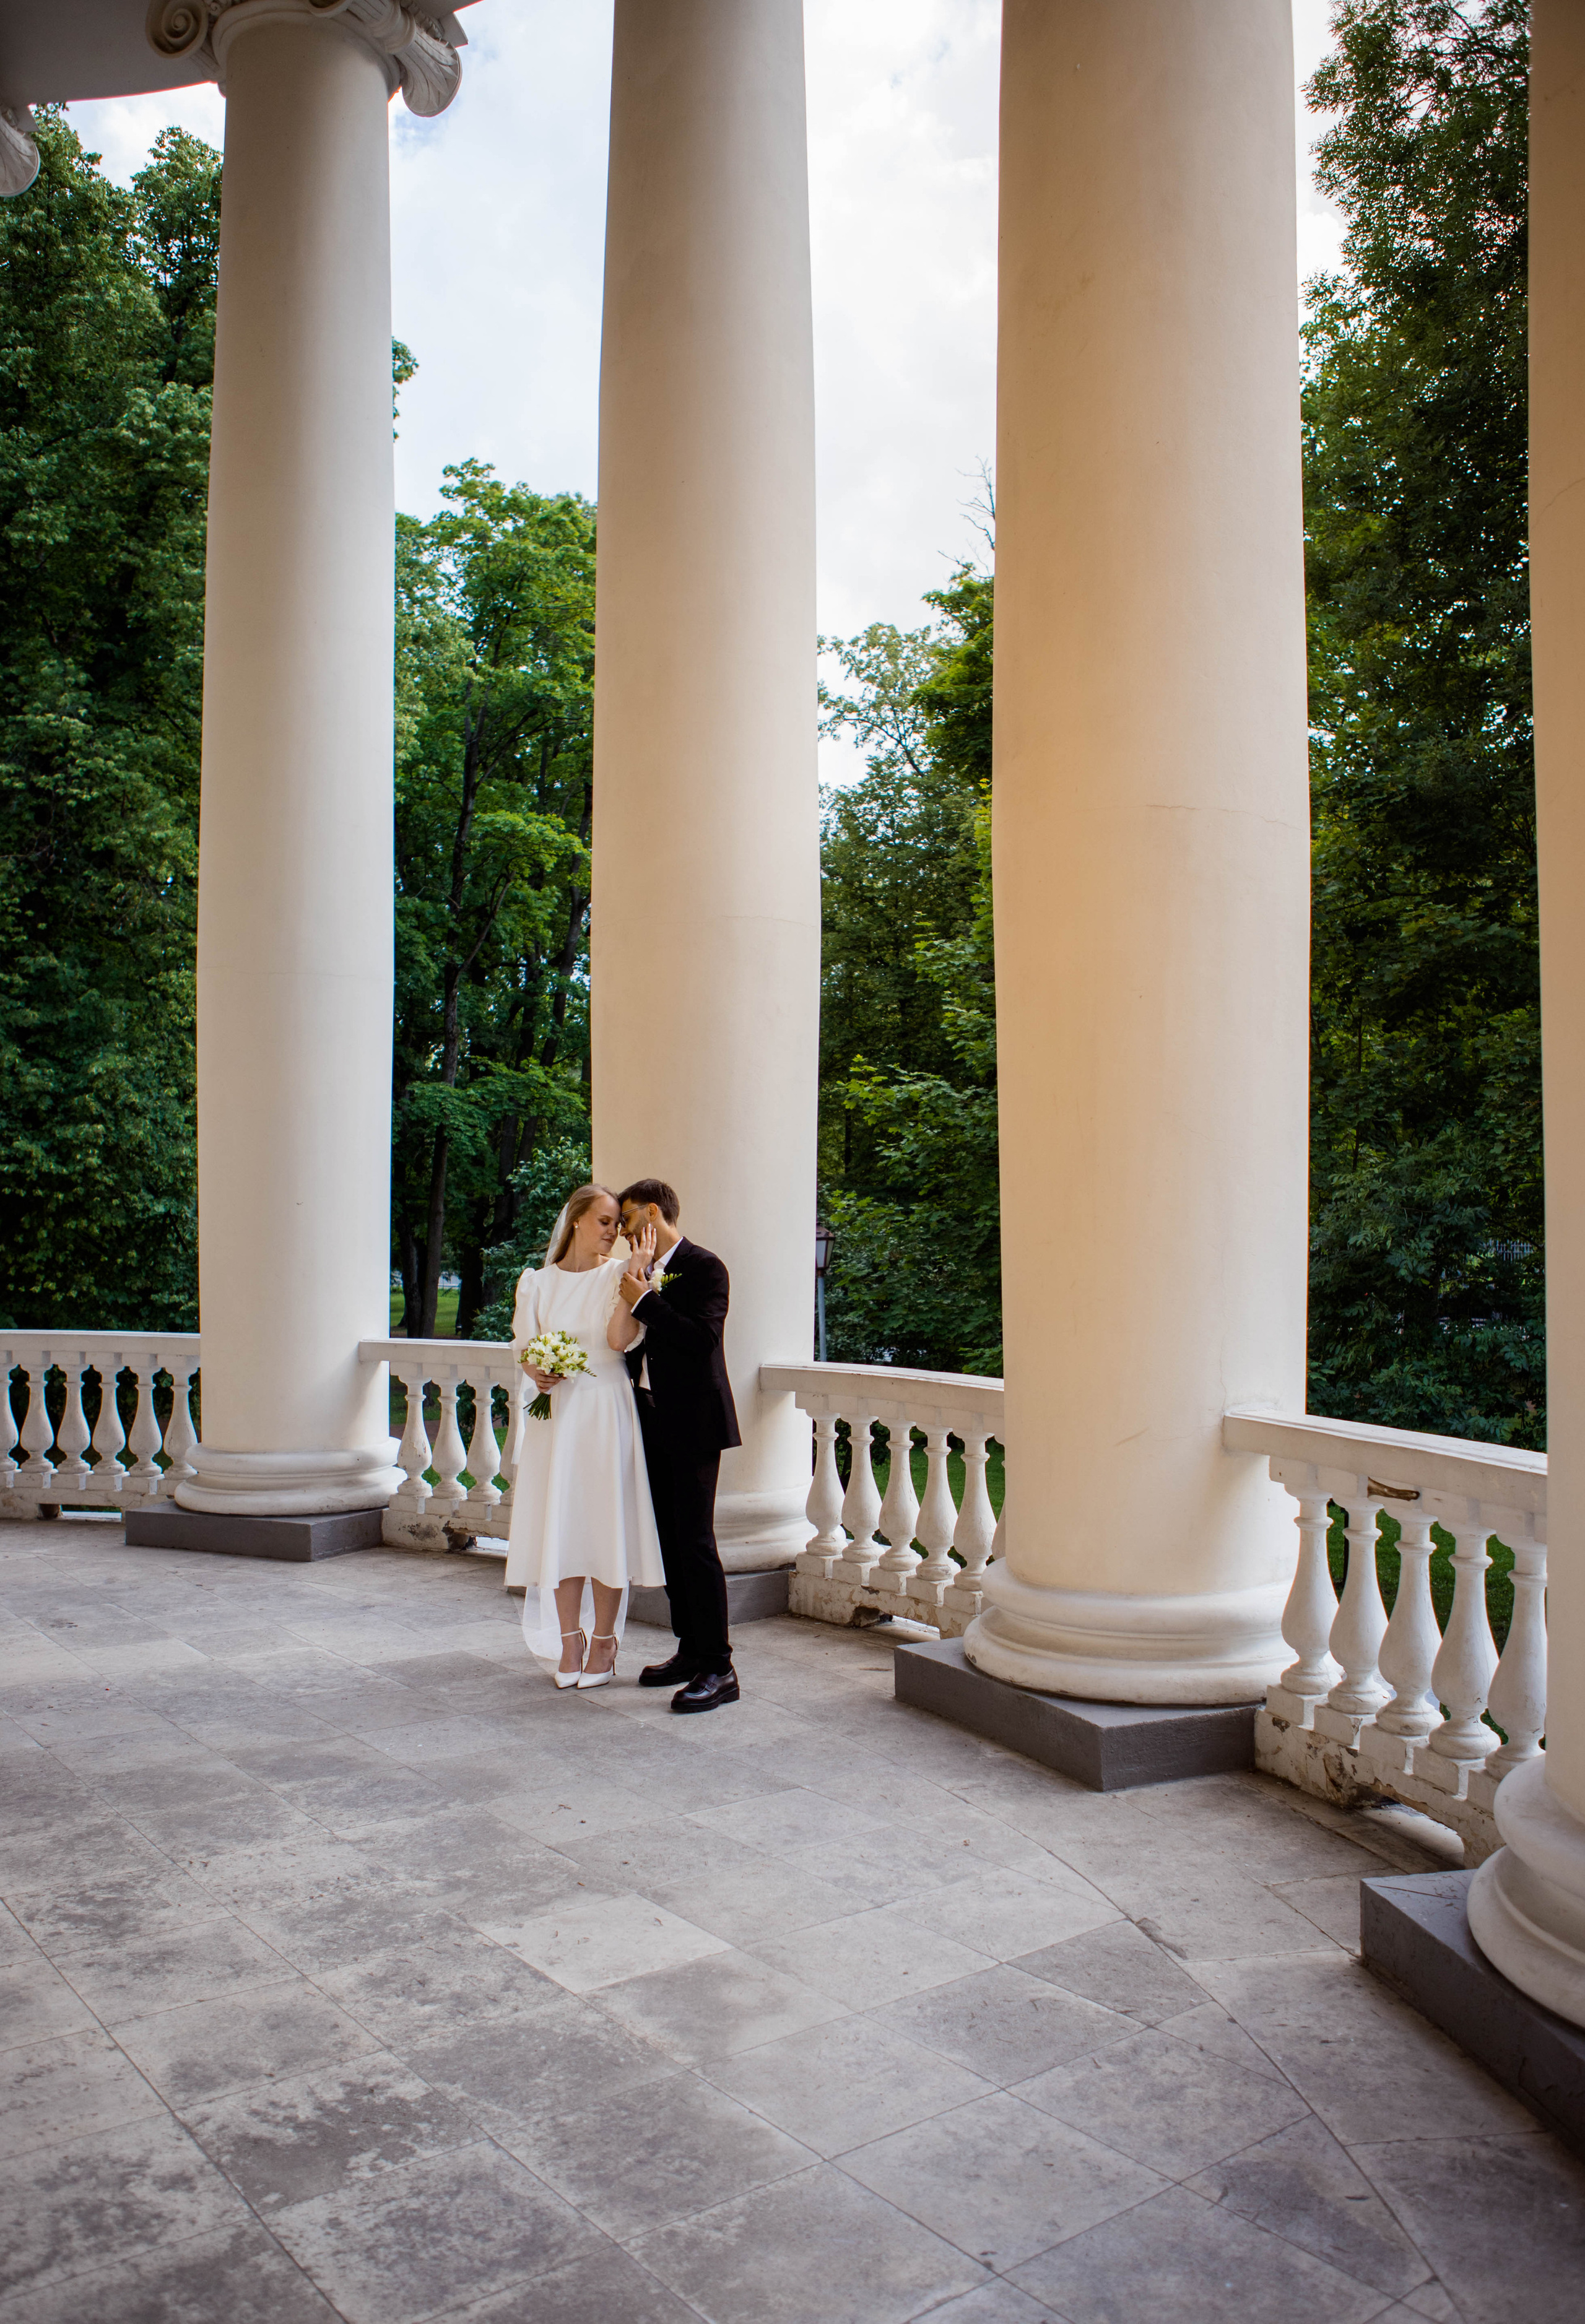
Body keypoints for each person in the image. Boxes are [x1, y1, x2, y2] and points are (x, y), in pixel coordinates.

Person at [504, 1184, 664, 1689]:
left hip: (606, 1408)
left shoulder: (620, 1274)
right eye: (603, 1221)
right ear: (575, 1221)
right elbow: (524, 1347)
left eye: (618, 1224)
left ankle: (604, 1642)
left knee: (603, 1523)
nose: (614, 1232)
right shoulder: (536, 1282)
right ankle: (568, 1642)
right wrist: (537, 1369)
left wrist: (635, 1274)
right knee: (563, 1524)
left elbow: (619, 1341)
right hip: (559, 1414)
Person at [616, 1177, 742, 1713]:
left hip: (694, 1423)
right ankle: (689, 1650)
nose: (622, 1232)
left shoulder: (706, 1266)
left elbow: (700, 1341)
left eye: (625, 1221)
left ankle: (720, 1666)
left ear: (650, 1212)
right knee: (668, 1541)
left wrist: (644, 1299)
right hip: (649, 1418)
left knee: (694, 1542)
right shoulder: (637, 1271)